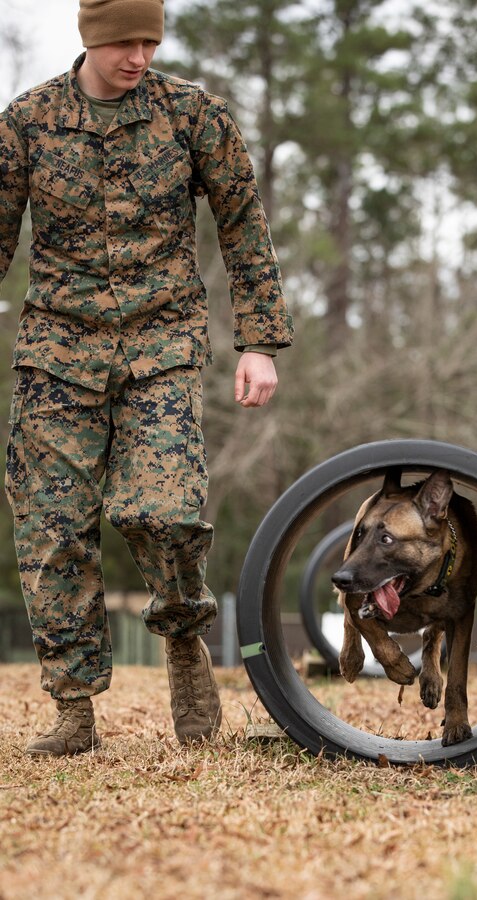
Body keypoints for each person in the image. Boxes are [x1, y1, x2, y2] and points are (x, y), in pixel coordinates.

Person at [0, 0, 293, 756]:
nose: (139, 55)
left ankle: (184, 637)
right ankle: (73, 707)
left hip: (161, 342)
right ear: (90, 39)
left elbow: (242, 222)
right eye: (124, 41)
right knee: (53, 530)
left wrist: (257, 341)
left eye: (149, 41)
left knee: (161, 510)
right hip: (57, 352)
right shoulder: (27, 123)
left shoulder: (191, 115)